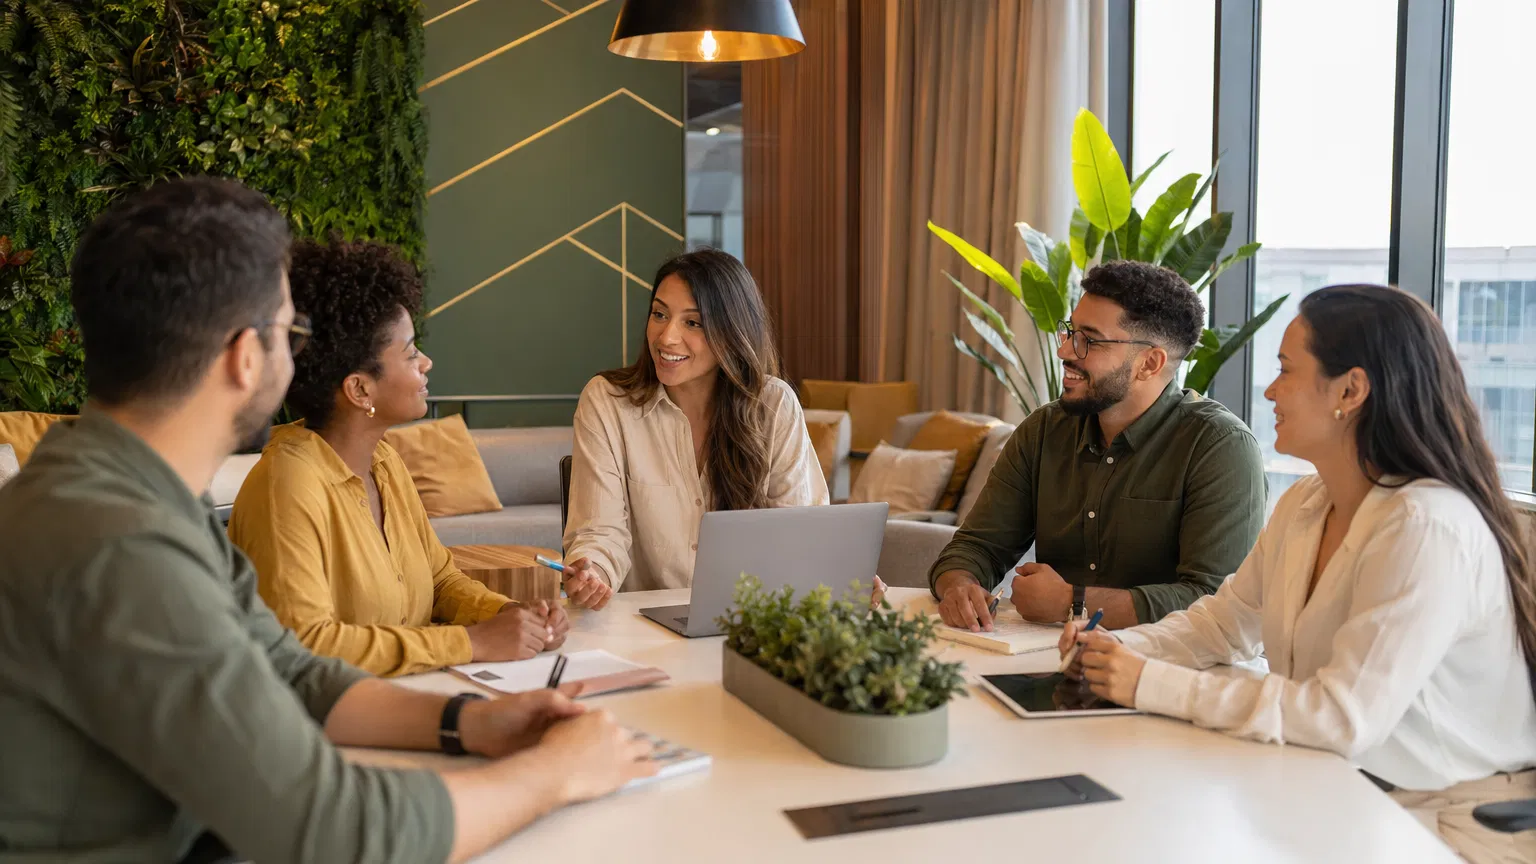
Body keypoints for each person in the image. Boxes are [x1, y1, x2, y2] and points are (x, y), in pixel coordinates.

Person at [0, 178, 655, 864]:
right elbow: (332, 831)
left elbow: (289, 669)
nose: (299, 354)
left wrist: (474, 722)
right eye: (292, 330)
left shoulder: (138, 498)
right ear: (245, 357)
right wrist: (556, 774)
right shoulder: (118, 544)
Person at [1065, 284, 1536, 864]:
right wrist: (1117, 647)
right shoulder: (1307, 505)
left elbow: (1342, 718)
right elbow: (1223, 624)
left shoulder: (1426, 526)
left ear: (1350, 390)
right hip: (1344, 789)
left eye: (1287, 370)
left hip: (1456, 824)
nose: (1269, 390)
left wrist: (1148, 682)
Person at [229, 239, 566, 677]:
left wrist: (511, 616)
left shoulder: (384, 461)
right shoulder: (287, 486)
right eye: (409, 353)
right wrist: (470, 642)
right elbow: (306, 644)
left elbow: (442, 580)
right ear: (359, 390)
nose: (425, 362)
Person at [930, 260, 1267, 632]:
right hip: (1043, 660)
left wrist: (1073, 603)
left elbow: (1218, 603)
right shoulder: (1043, 430)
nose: (1065, 352)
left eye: (1088, 340)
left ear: (1149, 363)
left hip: (1166, 672)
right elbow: (976, 546)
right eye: (1070, 332)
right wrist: (960, 585)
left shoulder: (1220, 447)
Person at [561, 248, 828, 608]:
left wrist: (837, 578)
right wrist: (593, 573)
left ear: (732, 331)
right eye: (659, 314)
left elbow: (799, 533)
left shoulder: (773, 406)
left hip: (749, 623)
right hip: (642, 630)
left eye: (693, 322)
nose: (666, 338)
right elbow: (600, 531)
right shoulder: (607, 402)